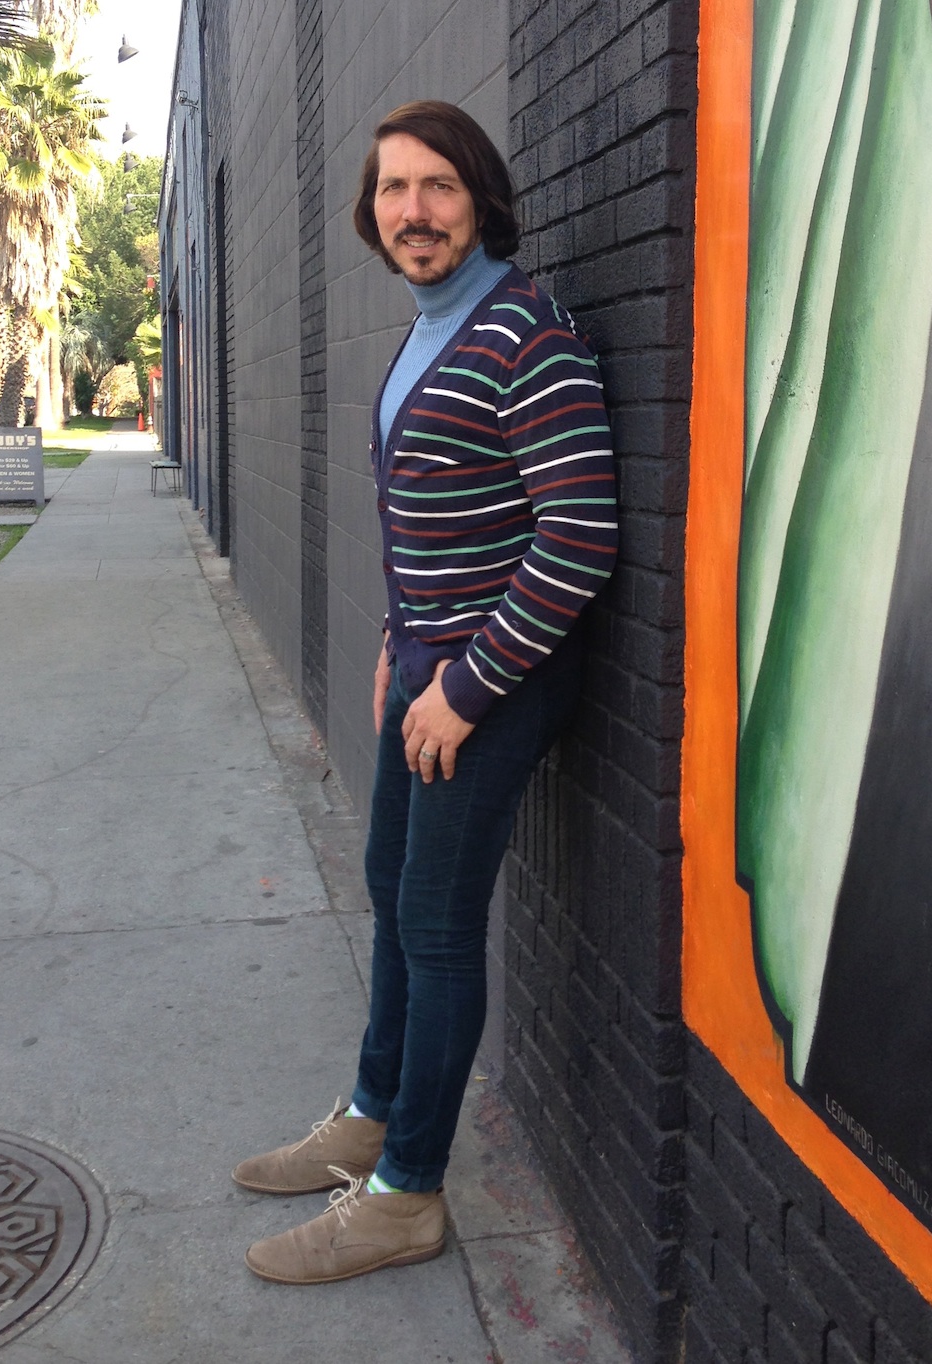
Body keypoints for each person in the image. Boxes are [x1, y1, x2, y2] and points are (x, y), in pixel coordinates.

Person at [233, 100, 618, 1285]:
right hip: (428, 669)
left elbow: (579, 535)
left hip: (494, 684)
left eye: (437, 186)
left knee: (438, 925)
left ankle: (405, 1192)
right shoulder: (428, 331)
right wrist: (397, 647)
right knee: (391, 891)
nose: (412, 210)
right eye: (393, 189)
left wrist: (462, 687)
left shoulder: (524, 333)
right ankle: (371, 1110)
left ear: (479, 198)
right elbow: (428, 525)